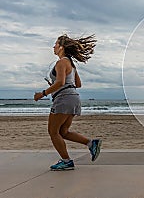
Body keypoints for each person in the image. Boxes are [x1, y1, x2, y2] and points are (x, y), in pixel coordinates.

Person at [34, 34, 101, 171]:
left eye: (56, 44)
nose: (54, 46)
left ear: (62, 47)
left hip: (64, 99)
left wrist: (43, 93)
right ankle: (91, 143)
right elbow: (78, 84)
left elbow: (60, 82)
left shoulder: (61, 62)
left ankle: (66, 161)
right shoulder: (71, 64)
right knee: (63, 131)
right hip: (74, 98)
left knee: (53, 132)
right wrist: (57, 84)